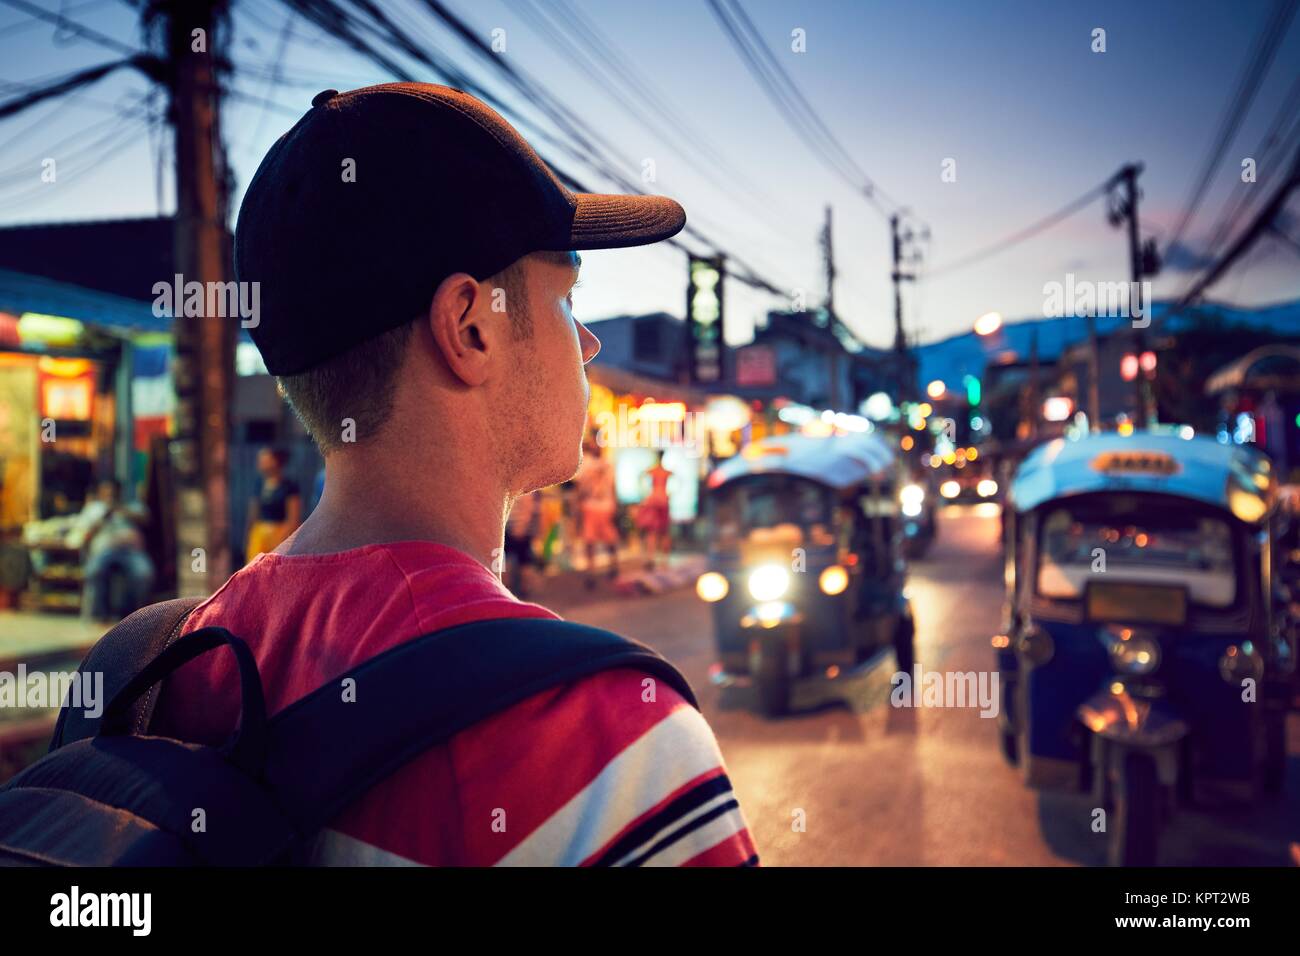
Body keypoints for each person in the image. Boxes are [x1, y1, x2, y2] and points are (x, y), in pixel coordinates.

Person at [150, 83, 757, 867]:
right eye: (569, 300)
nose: (590, 344)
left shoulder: (176, 669)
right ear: (470, 327)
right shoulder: (611, 747)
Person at [70, 479, 154, 623]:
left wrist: (121, 510)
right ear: (100, 493)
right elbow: (83, 534)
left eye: (113, 491)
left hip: (131, 552)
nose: (110, 494)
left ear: (119, 492)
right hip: (104, 551)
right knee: (94, 570)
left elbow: (146, 520)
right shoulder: (93, 509)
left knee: (144, 573)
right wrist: (103, 518)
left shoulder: (132, 505)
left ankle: (134, 617)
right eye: (106, 491)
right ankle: (97, 616)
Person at [575, 440, 620, 586]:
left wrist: (578, 505)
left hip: (592, 505)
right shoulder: (609, 464)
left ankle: (592, 571)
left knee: (590, 540)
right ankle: (612, 566)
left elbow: (579, 487)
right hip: (605, 506)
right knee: (608, 538)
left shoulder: (585, 464)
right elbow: (614, 486)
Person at [244, 447, 301, 561]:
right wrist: (248, 534)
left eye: (265, 460)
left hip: (280, 533)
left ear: (275, 461)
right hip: (260, 534)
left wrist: (283, 539)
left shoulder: (289, 486)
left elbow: (293, 518)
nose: (261, 463)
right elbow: (253, 512)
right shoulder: (259, 485)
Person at [637, 453, 673, 569]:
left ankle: (652, 558)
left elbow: (640, 477)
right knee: (662, 531)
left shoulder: (655, 471)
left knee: (653, 531)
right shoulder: (665, 472)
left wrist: (645, 494)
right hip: (662, 500)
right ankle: (663, 560)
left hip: (654, 500)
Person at [502, 489, 538, 598]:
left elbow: (527, 510)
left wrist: (520, 528)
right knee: (520, 562)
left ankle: (517, 589)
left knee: (518, 562)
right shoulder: (525, 490)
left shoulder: (512, 490)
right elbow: (528, 510)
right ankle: (517, 589)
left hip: (514, 530)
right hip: (516, 531)